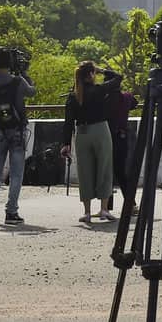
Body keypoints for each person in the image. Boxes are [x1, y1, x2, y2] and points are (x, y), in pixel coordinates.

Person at [60, 61, 122, 223]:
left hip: (82, 134)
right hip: (100, 130)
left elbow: (68, 122)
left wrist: (66, 143)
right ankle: (103, 209)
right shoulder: (99, 90)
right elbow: (118, 78)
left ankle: (87, 212)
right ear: (91, 75)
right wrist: (102, 70)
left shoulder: (73, 96)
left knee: (85, 172)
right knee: (104, 169)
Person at [0, 48, 36, 225]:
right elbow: (32, 92)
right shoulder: (18, 82)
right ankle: (11, 212)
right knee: (16, 173)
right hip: (17, 132)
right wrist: (25, 74)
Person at [105, 86, 139, 215]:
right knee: (121, 173)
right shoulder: (127, 97)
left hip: (108, 137)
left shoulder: (106, 99)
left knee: (108, 172)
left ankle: (107, 206)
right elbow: (135, 104)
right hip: (122, 137)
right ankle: (131, 203)